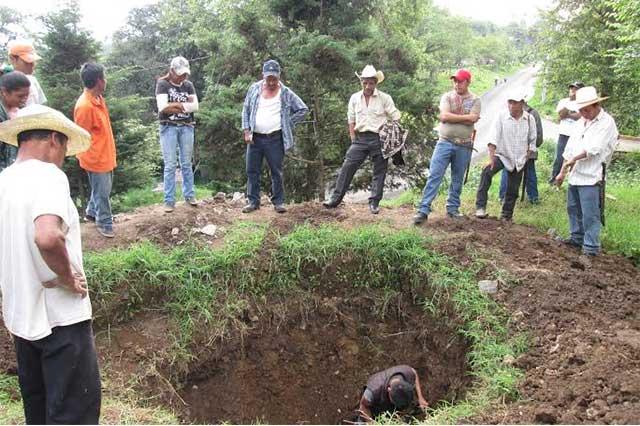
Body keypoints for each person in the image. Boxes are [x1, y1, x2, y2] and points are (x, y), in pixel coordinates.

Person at [0, 104, 101, 424]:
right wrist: (68, 276)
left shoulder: (5, 181)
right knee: (74, 413)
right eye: (65, 148)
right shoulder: (49, 176)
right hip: (60, 319)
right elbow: (47, 236)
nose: (64, 157)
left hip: (22, 317)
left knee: (40, 412)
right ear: (54, 140)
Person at [323, 65, 401, 214]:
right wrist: (353, 137)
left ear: (375, 82)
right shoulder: (354, 98)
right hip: (360, 138)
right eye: (364, 82)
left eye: (370, 83)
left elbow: (395, 116)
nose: (367, 86)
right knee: (348, 166)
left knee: (379, 170)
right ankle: (335, 199)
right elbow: (351, 119)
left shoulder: (385, 98)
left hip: (379, 137)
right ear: (361, 82)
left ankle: (374, 202)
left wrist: (390, 133)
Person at [554, 86, 618, 257]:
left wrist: (572, 161)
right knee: (573, 208)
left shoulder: (606, 123)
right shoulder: (580, 123)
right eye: (581, 110)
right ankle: (576, 238)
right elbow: (568, 150)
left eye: (586, 110)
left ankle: (590, 247)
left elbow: (593, 149)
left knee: (590, 213)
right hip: (575, 175)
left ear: (596, 105)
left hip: (592, 175)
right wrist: (562, 172)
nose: (583, 113)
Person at [413, 69, 481, 225]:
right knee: (434, 174)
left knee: (457, 178)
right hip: (444, 141)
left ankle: (453, 209)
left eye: (460, 81)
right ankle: (423, 210)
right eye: (455, 81)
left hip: (464, 144)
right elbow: (444, 116)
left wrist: (456, 118)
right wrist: (466, 118)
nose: (457, 84)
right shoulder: (447, 97)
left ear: (468, 82)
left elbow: (473, 119)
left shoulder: (475, 100)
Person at [241, 59, 308, 214]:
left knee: (276, 171)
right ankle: (253, 201)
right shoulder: (254, 89)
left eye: (274, 78)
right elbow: (246, 109)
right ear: (263, 76)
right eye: (268, 78)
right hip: (255, 137)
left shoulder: (285, 93)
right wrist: (246, 130)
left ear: (279, 77)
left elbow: (302, 109)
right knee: (252, 170)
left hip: (275, 138)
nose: (271, 82)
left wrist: (288, 123)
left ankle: (278, 202)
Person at [475, 88, 537, 221]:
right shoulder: (501, 116)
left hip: (519, 158)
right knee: (486, 172)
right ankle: (480, 207)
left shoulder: (529, 119)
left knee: (513, 189)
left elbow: (533, 140)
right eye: (510, 102)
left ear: (522, 103)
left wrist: (527, 155)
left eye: (515, 103)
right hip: (502, 154)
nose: (512, 106)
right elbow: (493, 137)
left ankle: (506, 215)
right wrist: (491, 158)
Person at [74, 63, 117, 238]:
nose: (105, 81)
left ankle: (92, 212)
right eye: (104, 77)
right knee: (103, 191)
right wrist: (88, 157)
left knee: (101, 188)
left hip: (105, 152)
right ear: (99, 81)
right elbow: (81, 136)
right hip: (95, 157)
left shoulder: (98, 99)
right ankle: (104, 222)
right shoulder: (85, 106)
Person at [156, 56, 200, 213]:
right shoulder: (162, 84)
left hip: (187, 126)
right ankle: (169, 201)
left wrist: (175, 105)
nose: (183, 77)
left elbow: (195, 106)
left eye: (185, 74)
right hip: (168, 127)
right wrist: (183, 105)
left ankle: (189, 195)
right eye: (180, 73)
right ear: (172, 71)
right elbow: (162, 107)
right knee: (170, 164)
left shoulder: (188, 85)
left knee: (186, 163)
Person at [499, 99, 543, 203]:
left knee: (512, 172)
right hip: (516, 151)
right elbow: (539, 136)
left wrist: (531, 149)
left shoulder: (531, 115)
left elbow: (537, 135)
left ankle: (504, 197)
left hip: (525, 152)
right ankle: (533, 198)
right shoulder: (533, 113)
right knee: (527, 173)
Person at [357, 365, 428, 422]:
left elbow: (414, 373)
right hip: (373, 407)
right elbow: (363, 406)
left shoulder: (406, 372)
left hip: (389, 409)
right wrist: (371, 423)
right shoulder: (373, 390)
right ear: (389, 389)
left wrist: (420, 397)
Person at [549, 81, 584, 183]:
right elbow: (560, 116)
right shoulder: (563, 101)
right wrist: (571, 112)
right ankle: (554, 179)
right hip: (563, 133)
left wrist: (568, 114)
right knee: (559, 158)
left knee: (575, 158)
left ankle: (572, 181)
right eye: (571, 88)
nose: (573, 90)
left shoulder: (583, 103)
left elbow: (580, 116)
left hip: (577, 134)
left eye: (575, 89)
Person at [0, 71, 30, 171]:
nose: (24, 100)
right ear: (4, 92)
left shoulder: (22, 112)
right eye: (20, 96)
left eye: (27, 95)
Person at [7, 40, 47, 106]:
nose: (32, 65)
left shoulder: (33, 80)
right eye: (27, 61)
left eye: (33, 61)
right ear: (13, 59)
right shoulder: (5, 83)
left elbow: (41, 106)